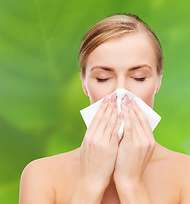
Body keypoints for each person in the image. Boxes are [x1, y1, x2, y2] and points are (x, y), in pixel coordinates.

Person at [19, 13, 190, 203]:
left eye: (139, 77)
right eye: (103, 78)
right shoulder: (41, 176)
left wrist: (130, 184)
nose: (121, 92)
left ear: (158, 82)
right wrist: (90, 183)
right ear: (84, 83)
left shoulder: (186, 175)